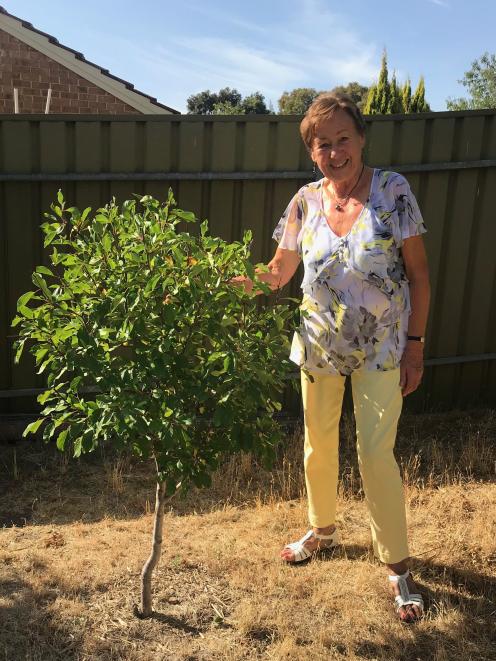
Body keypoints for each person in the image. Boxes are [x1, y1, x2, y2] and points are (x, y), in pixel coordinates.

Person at [235, 92, 430, 623]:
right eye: (323, 144)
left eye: (343, 138)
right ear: (311, 151)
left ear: (361, 138)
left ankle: (397, 564)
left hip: (383, 348)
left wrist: (415, 345)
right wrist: (227, 282)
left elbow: (419, 275)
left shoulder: (393, 191)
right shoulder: (303, 202)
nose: (335, 151)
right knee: (317, 444)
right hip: (319, 345)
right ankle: (322, 529)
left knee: (374, 454)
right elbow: (279, 270)